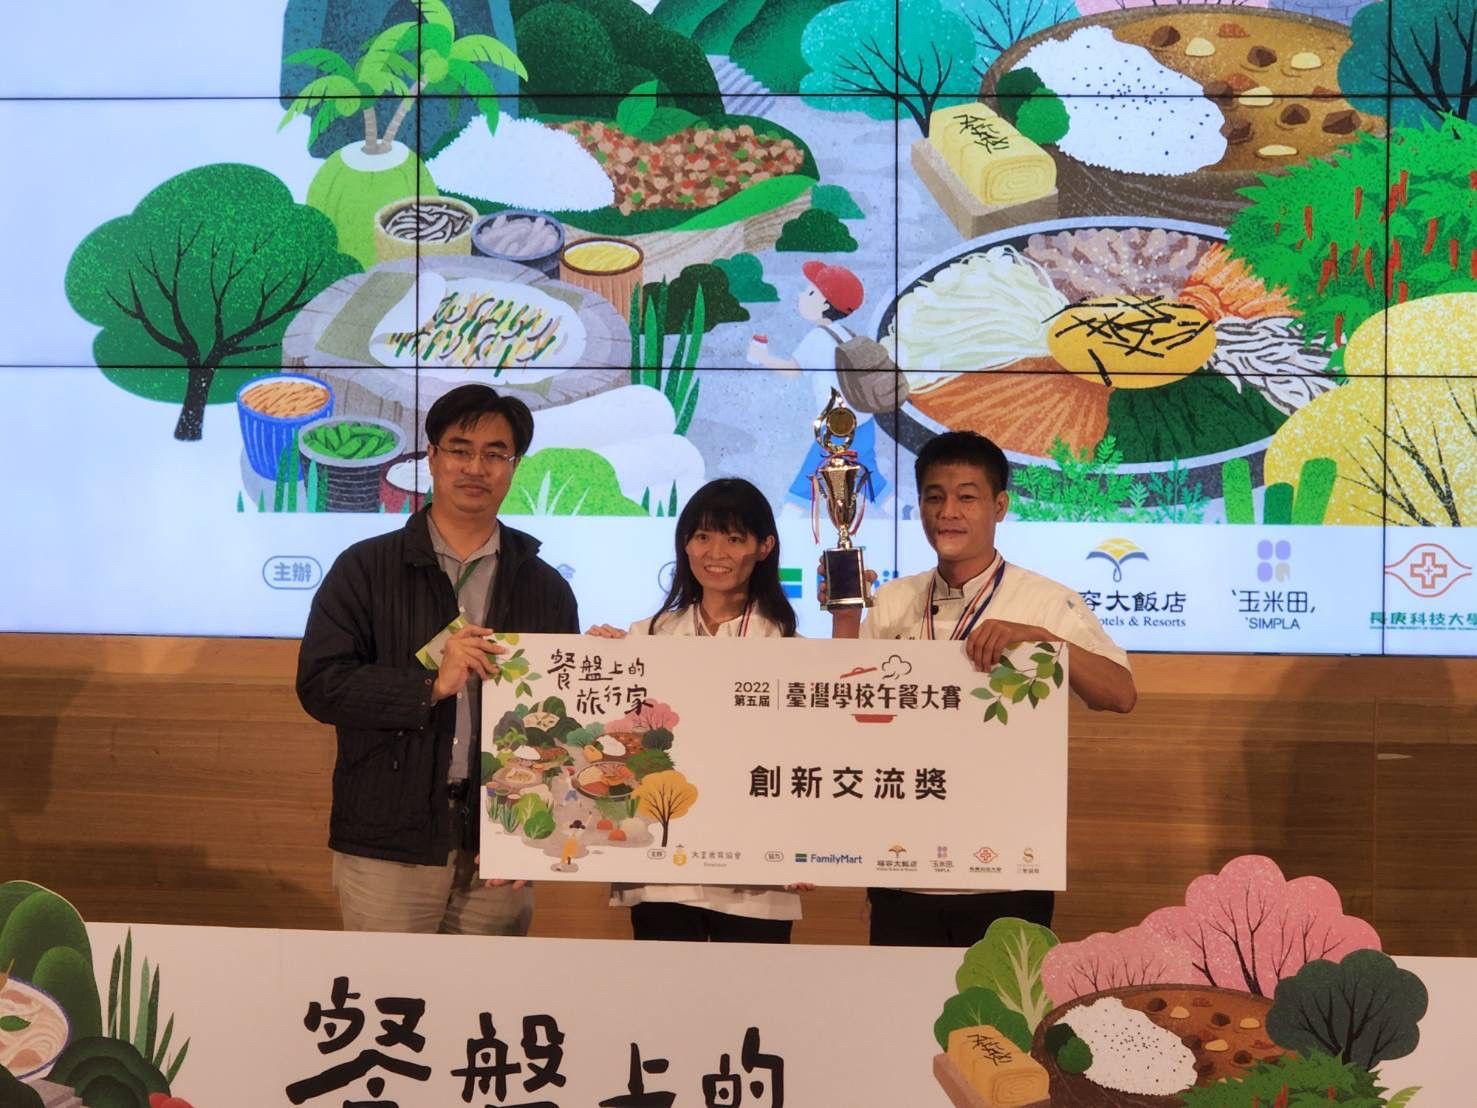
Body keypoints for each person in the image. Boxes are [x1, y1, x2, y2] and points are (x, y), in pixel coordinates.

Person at [831, 430, 1135, 947]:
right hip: (903, 864)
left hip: (1009, 869)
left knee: (1001, 1002)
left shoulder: (1044, 602)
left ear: (1000, 506)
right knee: (899, 1000)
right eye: (934, 497)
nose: (948, 512)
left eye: (966, 497)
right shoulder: (893, 601)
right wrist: (844, 615)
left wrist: (1043, 642)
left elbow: (1120, 694)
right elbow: (842, 708)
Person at [296, 384, 578, 934]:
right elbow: (321, 685)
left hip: (499, 843)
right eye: (460, 450)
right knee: (387, 987)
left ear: (514, 465)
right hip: (388, 841)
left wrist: (533, 832)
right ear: (432, 456)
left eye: (495, 454)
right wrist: (428, 685)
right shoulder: (365, 568)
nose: (476, 467)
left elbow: (558, 719)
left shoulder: (544, 585)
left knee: (486, 990)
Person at [588, 478, 811, 942]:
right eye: (703, 536)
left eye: (734, 538)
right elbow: (618, 744)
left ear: (765, 547)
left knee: (752, 990)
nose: (716, 553)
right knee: (664, 990)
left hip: (758, 873)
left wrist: (806, 845)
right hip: (663, 870)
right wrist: (600, 663)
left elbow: (808, 761)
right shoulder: (644, 638)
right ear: (685, 544)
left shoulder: (792, 650)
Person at [747, 260, 888, 509]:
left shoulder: (818, 338)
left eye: (810, 291)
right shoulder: (847, 333)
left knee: (812, 472)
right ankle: (903, 511)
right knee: (868, 472)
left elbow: (792, 371)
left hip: (838, 425)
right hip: (864, 420)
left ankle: (789, 519)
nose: (802, 295)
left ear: (825, 304)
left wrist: (762, 357)